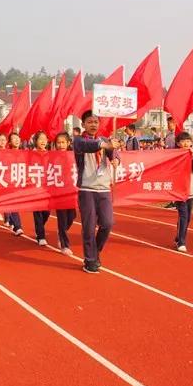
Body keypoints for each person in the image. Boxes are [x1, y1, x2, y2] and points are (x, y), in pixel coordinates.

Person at [74, 110, 120, 273]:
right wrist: (104, 145)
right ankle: (90, 260)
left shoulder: (106, 140)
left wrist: (115, 158)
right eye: (90, 122)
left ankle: (95, 252)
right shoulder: (79, 141)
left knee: (107, 224)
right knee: (88, 227)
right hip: (86, 189)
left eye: (96, 122)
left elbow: (114, 153)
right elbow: (88, 146)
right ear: (84, 124)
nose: (93, 124)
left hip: (104, 189)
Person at [173, 132, 193, 252]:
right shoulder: (175, 155)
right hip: (180, 191)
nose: (186, 143)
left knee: (188, 216)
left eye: (188, 141)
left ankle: (179, 236)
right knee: (183, 216)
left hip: (191, 189)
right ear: (178, 143)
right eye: (183, 141)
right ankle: (181, 242)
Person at [54, 132, 76, 256]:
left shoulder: (73, 156)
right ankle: (64, 244)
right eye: (58, 142)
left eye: (63, 142)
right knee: (62, 218)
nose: (61, 145)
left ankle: (61, 232)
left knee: (71, 216)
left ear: (68, 143)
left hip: (71, 191)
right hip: (59, 192)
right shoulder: (53, 157)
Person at [32, 131, 51, 246]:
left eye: (45, 139)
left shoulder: (50, 154)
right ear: (35, 141)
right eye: (41, 139)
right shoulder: (30, 154)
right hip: (35, 187)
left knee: (47, 212)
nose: (43, 141)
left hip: (47, 187)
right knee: (38, 212)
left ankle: (40, 227)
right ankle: (41, 236)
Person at [5, 132, 24, 235]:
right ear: (10, 142)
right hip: (10, 183)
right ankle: (18, 226)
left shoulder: (24, 153)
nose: (16, 140)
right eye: (14, 138)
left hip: (20, 182)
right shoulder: (7, 154)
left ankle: (13, 222)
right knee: (14, 204)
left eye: (18, 138)